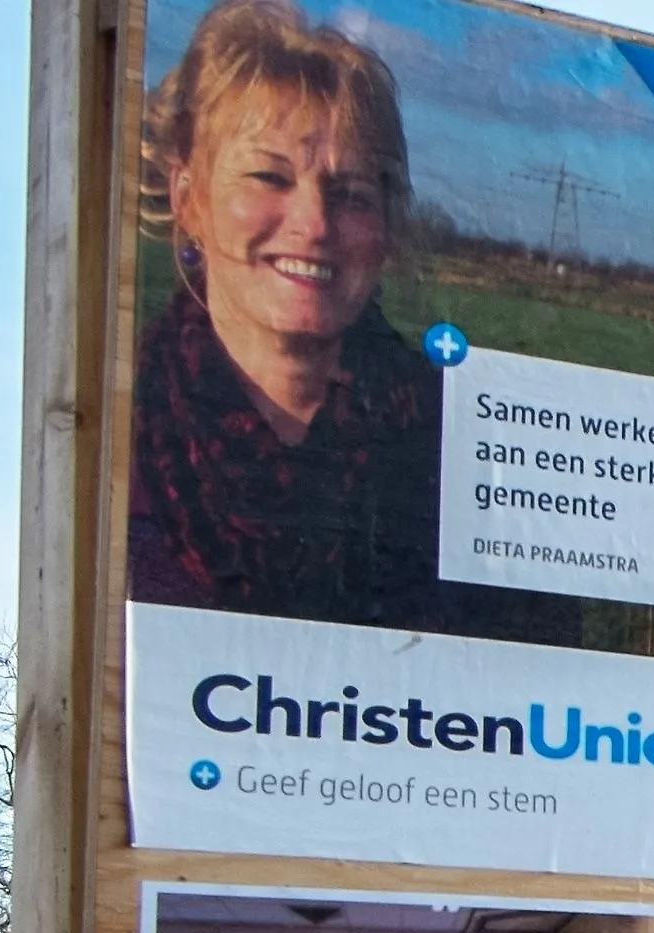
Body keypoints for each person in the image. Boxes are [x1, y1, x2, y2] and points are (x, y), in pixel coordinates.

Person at [129, 0, 571, 640]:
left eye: (352, 194)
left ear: (387, 227)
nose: (314, 224)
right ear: (187, 197)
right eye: (268, 175)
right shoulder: (119, 437)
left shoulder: (475, 457)